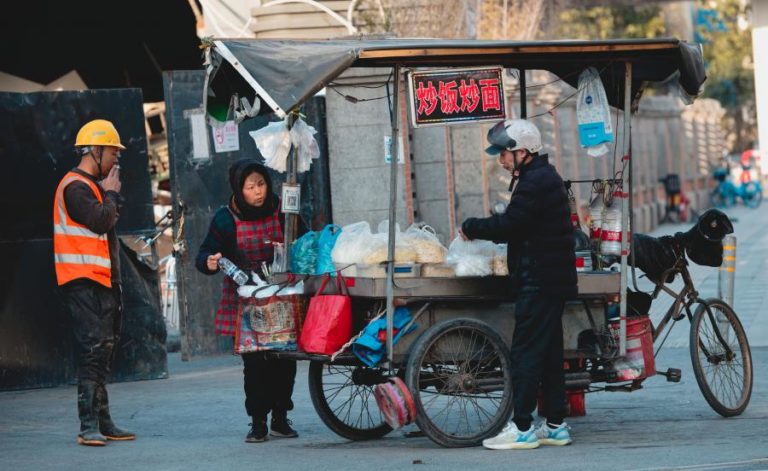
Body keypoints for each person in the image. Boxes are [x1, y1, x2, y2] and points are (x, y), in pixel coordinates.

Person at [460, 119, 577, 450]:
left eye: (504, 153)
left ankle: (523, 427)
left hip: (539, 281)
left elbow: (512, 224)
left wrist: (473, 226)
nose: (500, 159)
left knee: (525, 354)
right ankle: (555, 425)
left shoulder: (535, 182)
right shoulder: (541, 177)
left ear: (522, 152)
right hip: (551, 280)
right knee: (550, 355)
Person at [196, 159, 299, 443]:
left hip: (280, 298)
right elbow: (203, 255)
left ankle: (280, 417)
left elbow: (301, 240)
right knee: (255, 366)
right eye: (250, 186)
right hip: (246, 303)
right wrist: (211, 262)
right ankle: (258, 422)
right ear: (239, 189)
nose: (258, 192)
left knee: (284, 362)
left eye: (262, 184)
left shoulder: (282, 210)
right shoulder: (225, 219)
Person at [53, 119, 135, 446]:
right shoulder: (74, 186)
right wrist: (111, 195)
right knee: (92, 351)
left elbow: (108, 218)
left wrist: (111, 195)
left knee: (103, 351)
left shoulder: (91, 186)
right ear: (95, 151)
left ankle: (103, 421)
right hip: (81, 282)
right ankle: (88, 426)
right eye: (113, 153)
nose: (116, 159)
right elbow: (101, 221)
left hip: (99, 281)